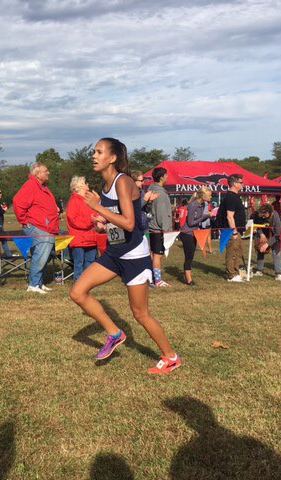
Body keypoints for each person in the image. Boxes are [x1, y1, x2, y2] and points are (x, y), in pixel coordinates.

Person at [69, 138, 180, 375]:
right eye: (94, 152)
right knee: (77, 292)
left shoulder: (123, 182)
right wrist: (103, 224)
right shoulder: (105, 184)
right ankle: (114, 333)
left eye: (99, 152)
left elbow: (130, 224)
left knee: (140, 313)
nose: (94, 156)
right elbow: (117, 220)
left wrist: (97, 208)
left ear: (113, 158)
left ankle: (171, 357)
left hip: (134, 256)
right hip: (114, 252)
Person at [13, 162, 60, 294]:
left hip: (47, 227)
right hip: (40, 227)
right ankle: (33, 285)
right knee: (40, 256)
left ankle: (39, 283)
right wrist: (23, 220)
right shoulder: (31, 185)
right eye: (46, 171)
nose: (48, 173)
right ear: (38, 174)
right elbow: (18, 201)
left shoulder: (42, 186)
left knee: (43, 256)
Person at [66, 176, 98, 281]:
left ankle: (88, 282)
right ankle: (78, 283)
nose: (87, 185)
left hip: (91, 238)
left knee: (90, 261)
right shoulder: (74, 201)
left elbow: (96, 214)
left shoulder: (88, 200)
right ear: (78, 187)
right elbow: (74, 221)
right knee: (79, 263)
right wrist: (91, 221)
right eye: (85, 183)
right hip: (79, 239)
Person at [216, 174, 246, 282]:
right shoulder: (231, 197)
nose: (243, 184)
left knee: (238, 252)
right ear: (234, 184)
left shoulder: (235, 196)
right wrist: (234, 232)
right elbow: (230, 216)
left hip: (236, 230)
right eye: (241, 182)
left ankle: (236, 272)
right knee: (232, 253)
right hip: (231, 231)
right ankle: (231, 275)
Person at [146, 167, 172, 287]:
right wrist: (166, 229)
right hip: (158, 228)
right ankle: (157, 280)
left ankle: (151, 278)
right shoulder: (160, 193)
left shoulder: (151, 190)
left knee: (153, 253)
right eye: (166, 175)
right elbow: (161, 213)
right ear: (161, 177)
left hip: (152, 226)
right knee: (158, 255)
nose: (167, 177)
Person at [180, 187, 212, 286]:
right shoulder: (193, 205)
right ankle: (189, 280)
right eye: (210, 195)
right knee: (189, 256)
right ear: (203, 196)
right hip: (187, 233)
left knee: (191, 255)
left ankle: (188, 276)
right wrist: (205, 216)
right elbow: (190, 223)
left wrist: (206, 216)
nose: (211, 197)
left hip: (194, 232)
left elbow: (198, 220)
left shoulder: (202, 204)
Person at [252, 203, 281, 281]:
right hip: (263, 233)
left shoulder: (275, 216)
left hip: (274, 235)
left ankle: (278, 273)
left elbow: (277, 234)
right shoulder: (257, 214)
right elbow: (256, 225)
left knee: (276, 252)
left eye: (264, 215)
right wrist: (261, 234)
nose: (263, 217)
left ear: (269, 213)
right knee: (260, 250)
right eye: (261, 215)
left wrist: (267, 244)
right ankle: (259, 271)